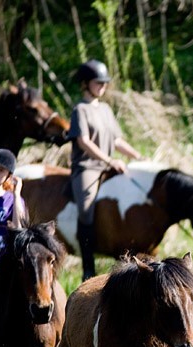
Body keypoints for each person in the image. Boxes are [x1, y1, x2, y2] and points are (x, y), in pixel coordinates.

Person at [68, 59, 142, 281]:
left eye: (104, 83)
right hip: (87, 168)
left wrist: (137, 156)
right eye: (97, 82)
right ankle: (88, 267)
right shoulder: (79, 110)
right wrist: (110, 161)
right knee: (86, 208)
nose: (103, 86)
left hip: (109, 164)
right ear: (85, 84)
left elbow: (117, 139)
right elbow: (83, 141)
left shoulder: (107, 109)